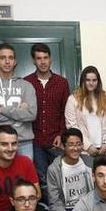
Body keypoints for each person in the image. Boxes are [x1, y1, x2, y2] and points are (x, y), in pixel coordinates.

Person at [24, 43, 70, 201]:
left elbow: (66, 111)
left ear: (50, 59)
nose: (42, 62)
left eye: (45, 58)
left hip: (55, 141)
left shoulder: (62, 83)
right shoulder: (26, 82)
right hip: (34, 141)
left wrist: (61, 134)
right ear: (34, 61)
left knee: (60, 178)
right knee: (40, 179)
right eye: (39, 58)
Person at [0, 43, 37, 159]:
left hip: (23, 142)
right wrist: (18, 113)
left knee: (24, 177)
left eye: (10, 58)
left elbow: (31, 114)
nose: (7, 61)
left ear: (15, 61)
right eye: (3, 58)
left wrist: (1, 110)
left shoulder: (26, 86)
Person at [65, 66, 106, 167]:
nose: (91, 83)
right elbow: (72, 126)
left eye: (94, 80)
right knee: (88, 180)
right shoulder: (73, 99)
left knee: (105, 181)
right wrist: (88, 146)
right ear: (83, 81)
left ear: (98, 81)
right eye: (88, 80)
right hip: (85, 151)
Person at [47, 128, 94, 211]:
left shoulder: (89, 162)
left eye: (78, 144)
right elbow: (54, 202)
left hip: (89, 208)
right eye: (71, 145)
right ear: (64, 147)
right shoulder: (54, 169)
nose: (75, 148)